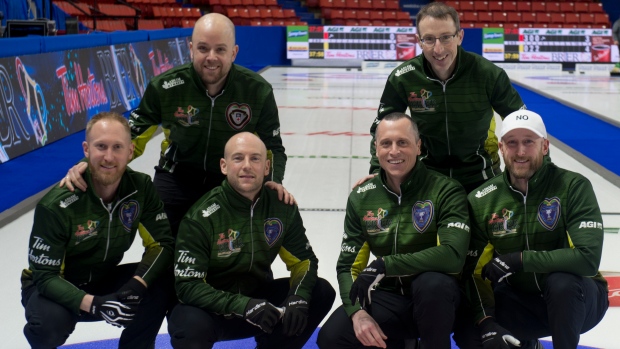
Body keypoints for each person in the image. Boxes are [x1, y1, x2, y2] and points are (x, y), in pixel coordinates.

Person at [61, 13, 292, 237]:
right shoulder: (166, 86)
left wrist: (273, 181)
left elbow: (273, 146)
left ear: (234, 52)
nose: (211, 57)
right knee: (163, 250)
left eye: (220, 49)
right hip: (176, 177)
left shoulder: (257, 90)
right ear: (191, 48)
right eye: (203, 48)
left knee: (229, 254)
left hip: (228, 181)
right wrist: (88, 164)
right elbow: (130, 135)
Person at [317, 112, 472, 349]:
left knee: (431, 284)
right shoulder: (362, 197)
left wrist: (386, 264)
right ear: (376, 148)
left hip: (440, 302)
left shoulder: (445, 190)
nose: (394, 151)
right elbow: (347, 265)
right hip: (389, 296)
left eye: (403, 142)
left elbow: (453, 257)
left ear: (418, 147)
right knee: (333, 337)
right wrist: (357, 313)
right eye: (386, 143)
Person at [167, 132, 336, 349]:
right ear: (224, 165)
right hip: (212, 309)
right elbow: (188, 286)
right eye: (238, 158)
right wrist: (244, 305)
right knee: (190, 326)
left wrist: (298, 297)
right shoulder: (201, 217)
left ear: (266, 167)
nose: (247, 165)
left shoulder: (281, 207)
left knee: (320, 292)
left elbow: (304, 260)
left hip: (259, 303)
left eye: (255, 158)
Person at [21, 112, 175, 349]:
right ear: (86, 149)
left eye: (117, 147)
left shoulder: (141, 188)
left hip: (102, 279)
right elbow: (46, 277)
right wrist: (95, 304)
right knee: (47, 324)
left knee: (161, 280)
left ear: (131, 151)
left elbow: (163, 244)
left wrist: (136, 285)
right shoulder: (56, 205)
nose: (109, 156)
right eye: (101, 146)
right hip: (52, 287)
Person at [463, 110, 609, 349]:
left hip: (580, 300)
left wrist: (521, 260)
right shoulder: (482, 200)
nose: (520, 152)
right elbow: (474, 272)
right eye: (512, 143)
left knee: (562, 283)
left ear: (545, 146)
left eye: (529, 142)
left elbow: (587, 259)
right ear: (501, 148)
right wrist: (487, 321)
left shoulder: (573, 187)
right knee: (471, 325)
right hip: (520, 301)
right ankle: (527, 344)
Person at [363, 2, 525, 193]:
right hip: (426, 177)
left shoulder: (488, 75)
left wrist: (535, 171)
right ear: (419, 41)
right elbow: (382, 127)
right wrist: (377, 170)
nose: (438, 49)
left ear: (460, 37)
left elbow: (523, 123)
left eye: (446, 38)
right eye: (429, 39)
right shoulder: (404, 78)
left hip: (482, 178)